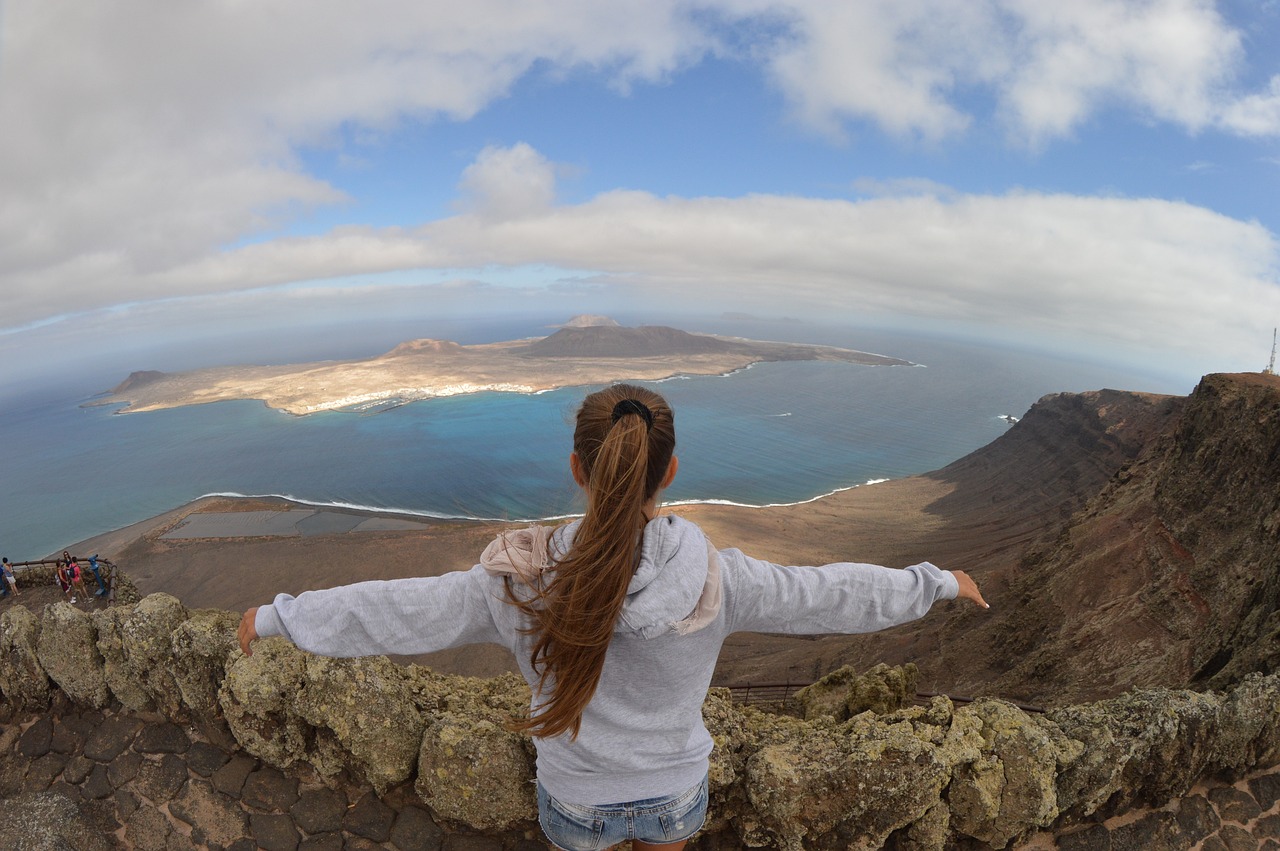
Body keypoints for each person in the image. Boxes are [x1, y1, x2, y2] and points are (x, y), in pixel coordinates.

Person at [238, 384, 987, 851]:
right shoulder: (721, 579)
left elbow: (399, 610)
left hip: (575, 796)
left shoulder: (521, 581)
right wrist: (936, 584)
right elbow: (830, 593)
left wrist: (280, 618)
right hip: (675, 795)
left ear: (577, 468)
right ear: (669, 472)